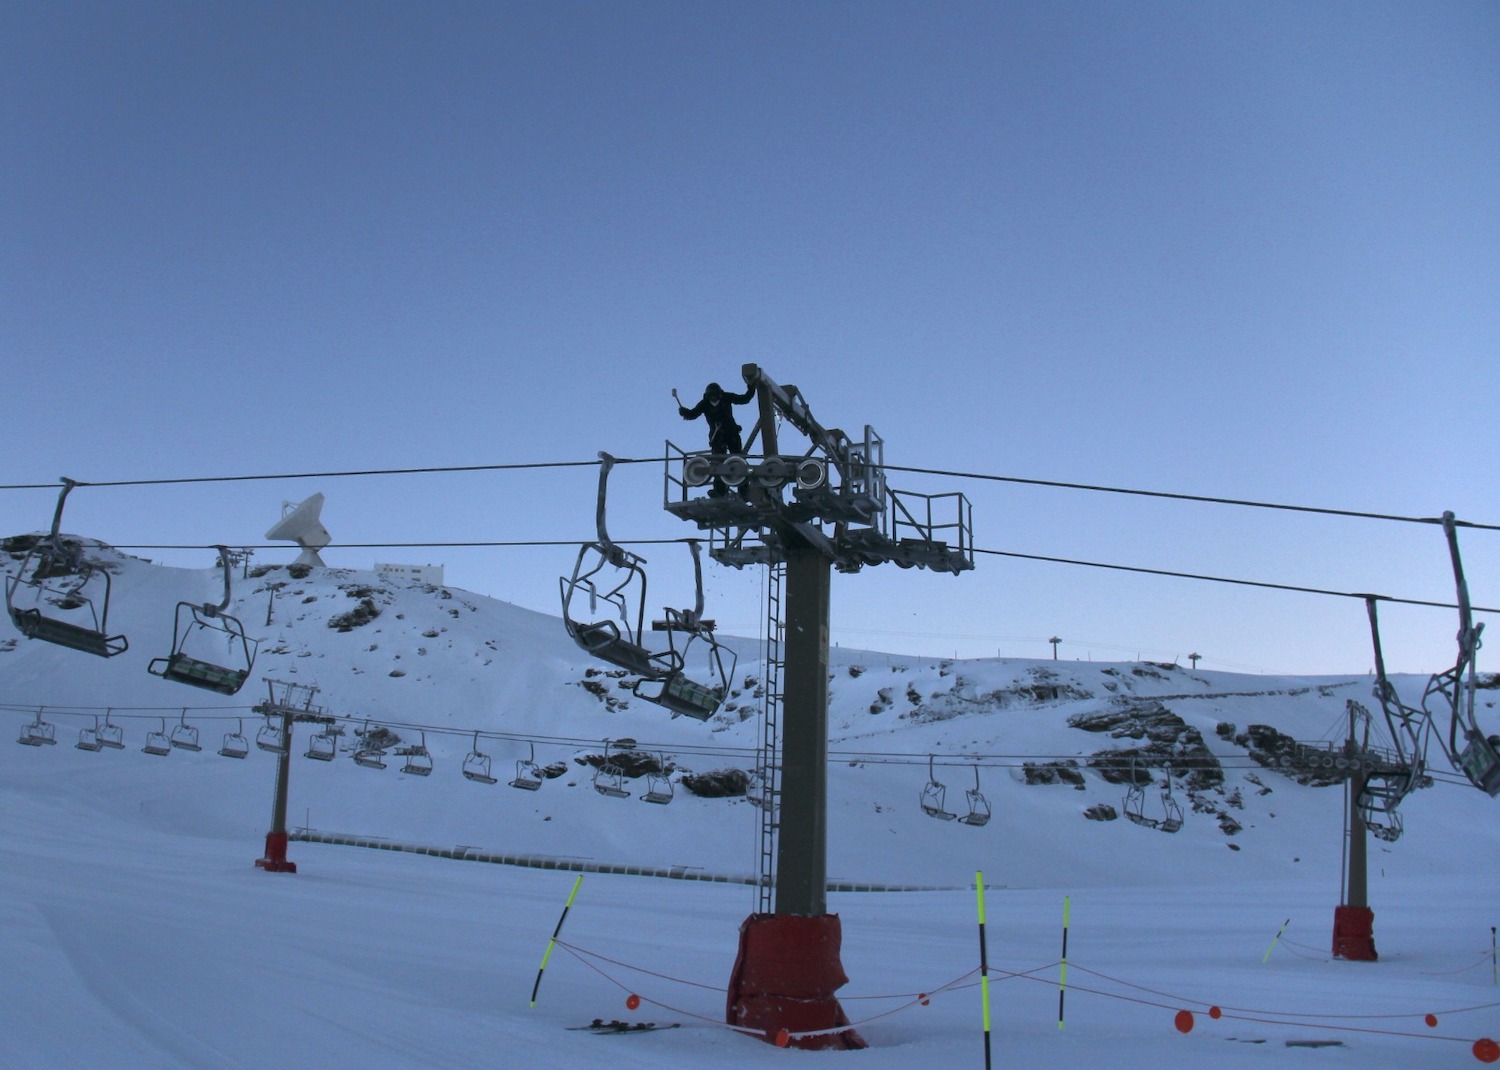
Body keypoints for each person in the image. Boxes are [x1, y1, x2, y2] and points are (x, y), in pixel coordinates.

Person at [674, 380, 756, 496]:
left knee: (738, 460)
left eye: (715, 397)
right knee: (717, 462)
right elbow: (693, 414)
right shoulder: (705, 404)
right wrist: (685, 412)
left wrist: (751, 388)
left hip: (731, 432)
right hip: (717, 436)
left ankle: (743, 490)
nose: (714, 399)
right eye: (711, 397)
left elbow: (744, 399)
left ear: (720, 394)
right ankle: (720, 490)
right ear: (708, 397)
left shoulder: (726, 397)